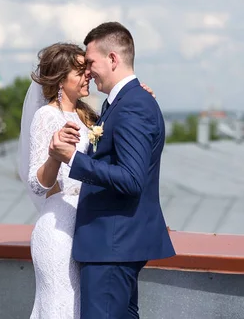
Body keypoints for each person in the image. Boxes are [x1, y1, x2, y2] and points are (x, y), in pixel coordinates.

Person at [18, 42, 156, 319]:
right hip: (59, 228)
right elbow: (36, 184)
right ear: (60, 78)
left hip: (87, 227)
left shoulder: (88, 116)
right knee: (62, 307)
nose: (88, 76)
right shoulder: (47, 116)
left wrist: (138, 98)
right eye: (80, 71)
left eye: (88, 68)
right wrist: (56, 157)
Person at [49, 22, 175, 319]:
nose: (88, 71)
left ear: (113, 59)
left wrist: (73, 159)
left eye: (91, 62)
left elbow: (132, 179)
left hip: (112, 244)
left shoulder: (133, 106)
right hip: (116, 242)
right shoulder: (123, 102)